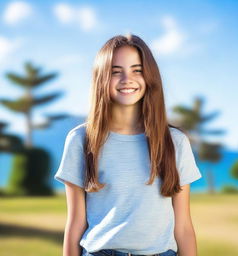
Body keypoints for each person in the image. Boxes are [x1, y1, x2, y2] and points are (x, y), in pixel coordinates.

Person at [54, 34, 202, 256]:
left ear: (149, 76)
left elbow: (183, 227)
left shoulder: (175, 142)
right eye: (115, 71)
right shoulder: (80, 140)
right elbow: (75, 223)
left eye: (137, 70)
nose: (127, 79)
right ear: (101, 78)